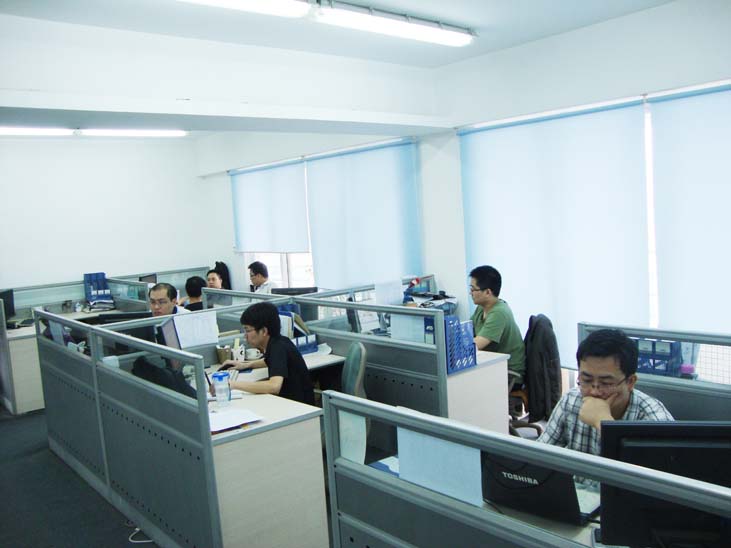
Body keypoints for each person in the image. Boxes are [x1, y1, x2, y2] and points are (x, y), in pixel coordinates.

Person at [538, 328, 674, 455]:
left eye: (606, 383)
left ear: (630, 382)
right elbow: (539, 455)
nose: (594, 392)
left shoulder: (654, 419)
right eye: (586, 380)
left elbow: (661, 470)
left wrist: (603, 422)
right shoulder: (571, 400)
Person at [219, 302, 314, 405]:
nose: (245, 336)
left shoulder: (278, 348)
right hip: (295, 402)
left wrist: (232, 384)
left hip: (299, 408)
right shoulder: (280, 341)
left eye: (247, 330)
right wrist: (245, 365)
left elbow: (274, 386)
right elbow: (270, 361)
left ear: (264, 331)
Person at [469, 265, 525, 385]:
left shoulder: (499, 313)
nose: (470, 293)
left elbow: (475, 345)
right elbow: (465, 332)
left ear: (487, 292)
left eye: (473, 289)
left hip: (508, 372)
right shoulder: (481, 308)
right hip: (493, 365)